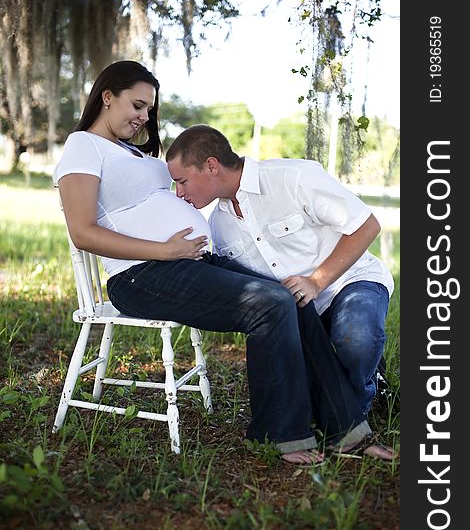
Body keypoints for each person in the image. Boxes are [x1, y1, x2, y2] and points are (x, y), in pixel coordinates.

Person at [53, 61, 392, 465]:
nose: (145, 118)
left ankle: (347, 433)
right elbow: (82, 232)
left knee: (289, 297)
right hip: (142, 275)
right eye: (138, 105)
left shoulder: (130, 151)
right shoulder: (82, 146)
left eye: (149, 110)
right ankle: (282, 434)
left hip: (189, 263)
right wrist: (165, 250)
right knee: (269, 304)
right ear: (107, 96)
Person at [165, 124, 395, 418]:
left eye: (181, 181)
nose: (178, 193)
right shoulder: (218, 226)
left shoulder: (293, 177)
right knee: (307, 391)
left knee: (355, 338)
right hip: (301, 312)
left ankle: (358, 409)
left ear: (211, 166)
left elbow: (366, 225)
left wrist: (316, 281)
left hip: (349, 282)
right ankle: (357, 380)